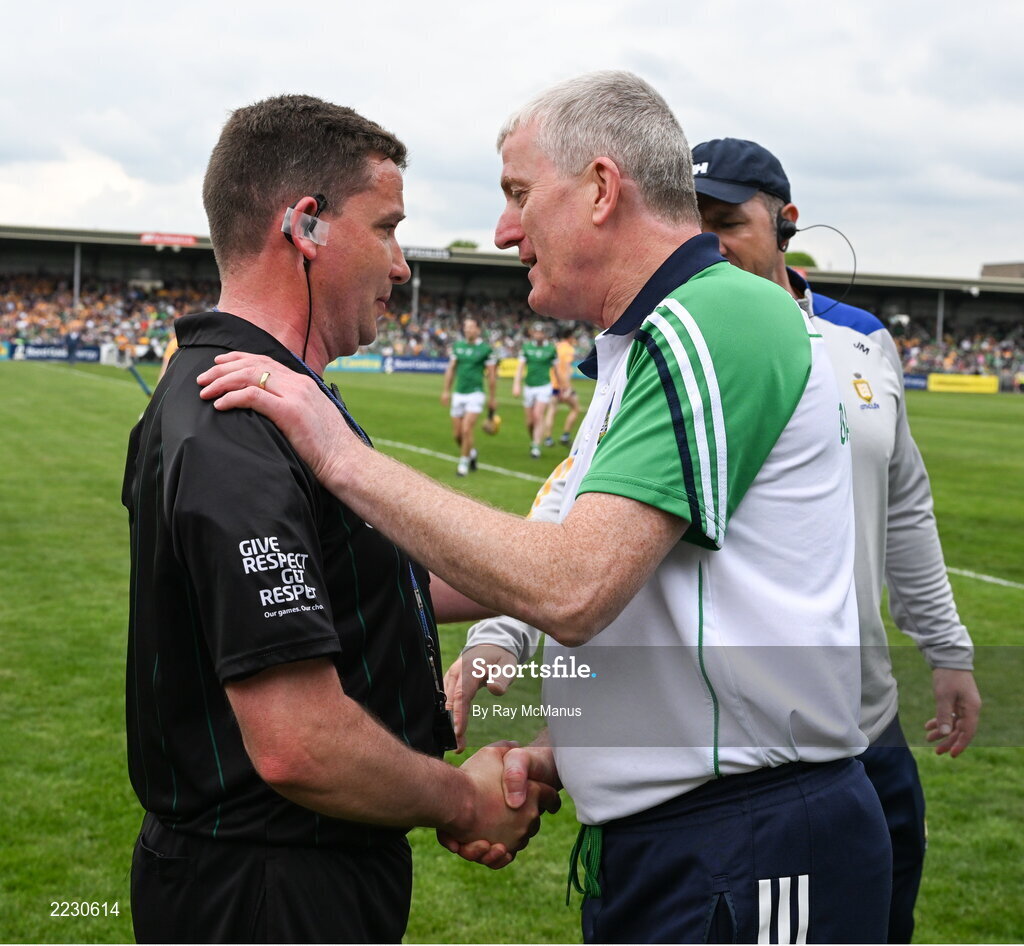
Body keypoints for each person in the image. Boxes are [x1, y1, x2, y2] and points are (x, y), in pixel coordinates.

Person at [196, 71, 892, 944]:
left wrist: (340, 458)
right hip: (694, 839)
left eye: (520, 195)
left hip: (750, 842)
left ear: (602, 189)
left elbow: (574, 587)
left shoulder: (712, 319)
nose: (503, 231)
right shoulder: (643, 347)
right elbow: (678, 614)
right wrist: (562, 752)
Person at [122, 94, 556, 945]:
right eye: (388, 227)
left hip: (299, 872)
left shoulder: (282, 395)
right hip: (265, 890)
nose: (401, 267)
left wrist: (556, 578)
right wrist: (459, 795)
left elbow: (360, 576)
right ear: (306, 227)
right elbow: (298, 742)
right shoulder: (237, 417)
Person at [689, 136, 982, 943]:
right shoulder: (668, 344)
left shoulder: (861, 341)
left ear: (785, 225)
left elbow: (905, 505)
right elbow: (576, 508)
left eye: (726, 225)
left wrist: (947, 651)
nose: (706, 248)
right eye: (689, 228)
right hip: (760, 752)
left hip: (872, 722)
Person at [441, 315, 497, 475]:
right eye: (466, 327)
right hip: (459, 393)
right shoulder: (458, 346)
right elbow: (451, 369)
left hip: (476, 394)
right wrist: (446, 390)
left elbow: (492, 375)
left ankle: (463, 464)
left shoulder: (486, 349)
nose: (468, 330)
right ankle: (471, 454)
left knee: (466, 430)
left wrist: (493, 398)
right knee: (457, 435)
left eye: (471, 327)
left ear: (478, 330)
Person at [511, 321, 557, 457]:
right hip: (529, 386)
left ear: (544, 334)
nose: (538, 335)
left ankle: (536, 446)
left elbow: (556, 370)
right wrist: (516, 384)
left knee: (538, 415)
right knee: (530, 421)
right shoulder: (526, 348)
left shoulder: (551, 349)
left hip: (544, 386)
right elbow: (520, 368)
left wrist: (562, 385)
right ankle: (534, 440)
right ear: (532, 333)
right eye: (536, 332)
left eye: (541, 332)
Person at [543, 326, 581, 447]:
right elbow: (564, 369)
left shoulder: (556, 347)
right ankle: (565, 436)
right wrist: (566, 387)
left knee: (551, 410)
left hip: (552, 384)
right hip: (562, 385)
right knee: (576, 408)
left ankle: (548, 438)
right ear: (570, 337)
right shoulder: (569, 349)